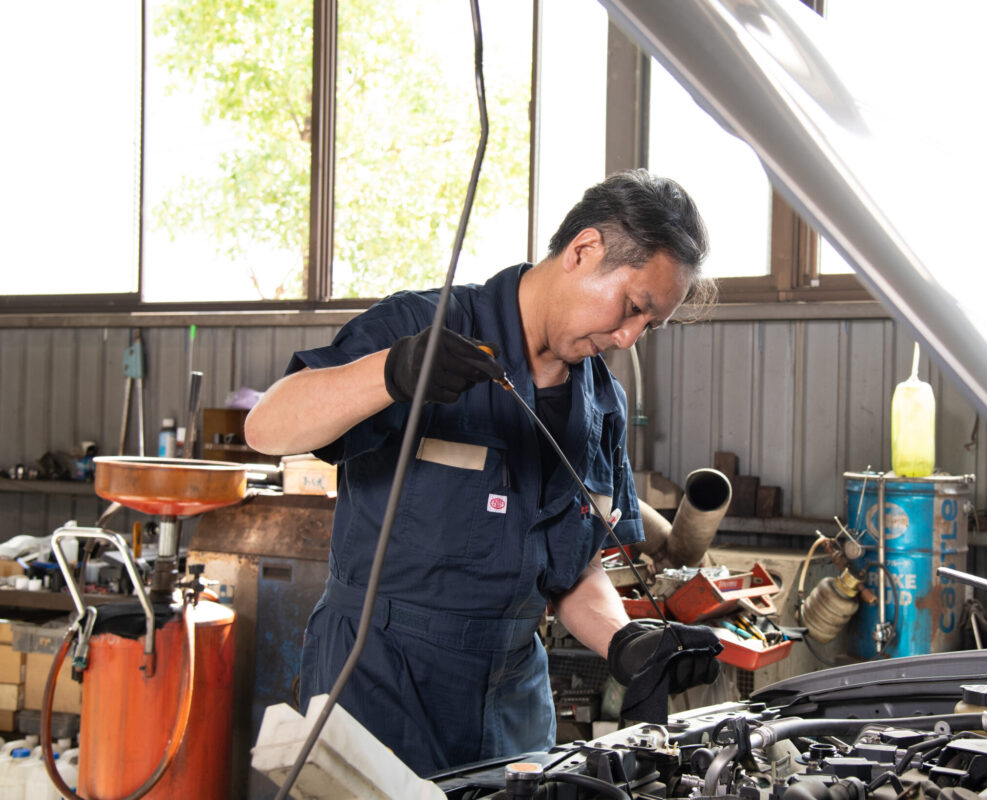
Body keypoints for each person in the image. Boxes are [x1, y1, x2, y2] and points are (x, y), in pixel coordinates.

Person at [245, 169, 723, 776]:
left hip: (513, 697)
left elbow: (571, 568)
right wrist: (392, 373)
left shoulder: (602, 406)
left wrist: (625, 641)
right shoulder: (420, 329)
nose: (629, 338)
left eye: (648, 326)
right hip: (378, 679)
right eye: (633, 307)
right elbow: (267, 427)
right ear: (584, 250)